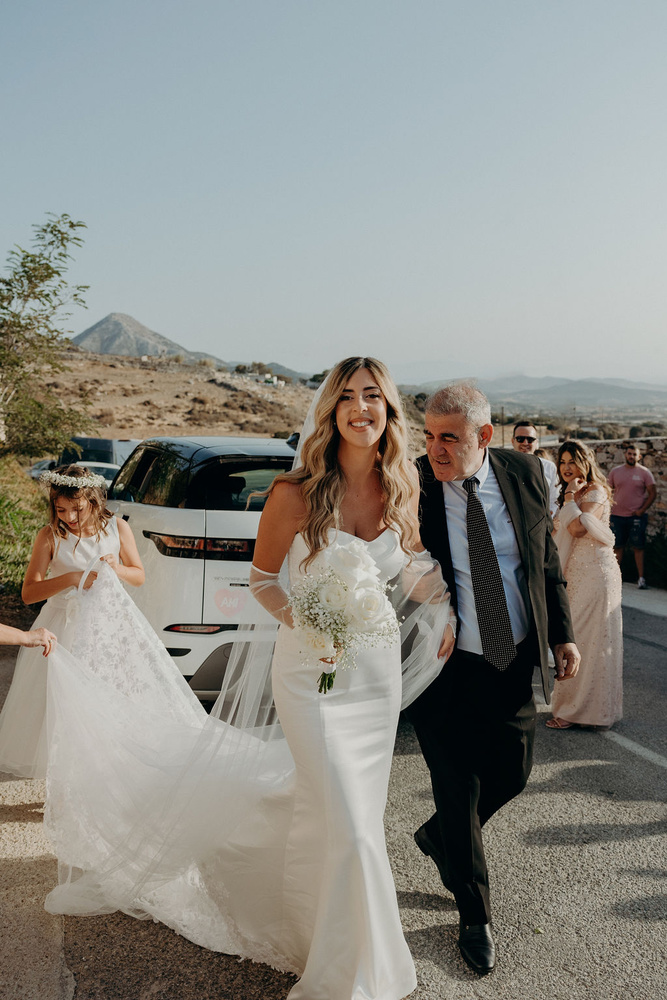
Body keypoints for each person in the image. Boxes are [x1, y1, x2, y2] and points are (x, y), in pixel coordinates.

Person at [39, 359, 455, 1000]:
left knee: (347, 816)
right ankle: (354, 973)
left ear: (390, 409)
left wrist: (445, 605)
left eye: (373, 396)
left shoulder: (403, 487)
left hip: (374, 682)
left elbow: (413, 565)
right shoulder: (293, 493)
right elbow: (263, 581)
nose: (360, 407)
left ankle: (316, 930)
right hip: (311, 674)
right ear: (330, 412)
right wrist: (312, 626)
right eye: (346, 397)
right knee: (348, 817)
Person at [406, 383, 580, 976]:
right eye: (428, 435)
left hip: (512, 659)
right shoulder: (413, 485)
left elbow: (545, 562)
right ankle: (474, 912)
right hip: (444, 666)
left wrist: (563, 633)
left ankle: (439, 838)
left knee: (514, 772)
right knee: (459, 786)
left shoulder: (526, 471)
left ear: (484, 437)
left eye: (448, 437)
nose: (435, 449)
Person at [0, 465, 144, 778]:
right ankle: (65, 778)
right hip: (61, 626)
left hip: (107, 629)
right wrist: (72, 578)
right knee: (60, 705)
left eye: (76, 509)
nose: (69, 517)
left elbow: (139, 576)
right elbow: (28, 593)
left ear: (94, 502)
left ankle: (101, 774)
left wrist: (116, 570)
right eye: (61, 509)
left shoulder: (117, 529)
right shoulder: (50, 536)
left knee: (105, 702)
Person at [547, 441, 623, 730]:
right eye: (563, 461)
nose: (567, 467)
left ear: (586, 462)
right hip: (574, 573)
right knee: (576, 636)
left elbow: (579, 528)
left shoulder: (595, 491)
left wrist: (568, 501)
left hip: (596, 573)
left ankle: (581, 712)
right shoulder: (570, 492)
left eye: (572, 461)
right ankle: (576, 707)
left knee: (590, 640)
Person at [608, 444, 656, 589]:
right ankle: (614, 579)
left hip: (636, 517)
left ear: (639, 456)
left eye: (634, 454)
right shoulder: (615, 472)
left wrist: (642, 510)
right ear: (625, 454)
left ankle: (641, 579)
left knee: (638, 548)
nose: (631, 456)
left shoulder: (645, 473)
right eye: (629, 454)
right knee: (617, 547)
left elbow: (653, 493)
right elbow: (608, 491)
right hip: (617, 516)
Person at [512, 420, 559, 517]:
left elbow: (555, 498)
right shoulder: (502, 466)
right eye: (520, 439)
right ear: (513, 441)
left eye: (530, 439)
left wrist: (548, 518)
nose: (525, 443)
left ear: (536, 442)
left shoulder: (549, 467)